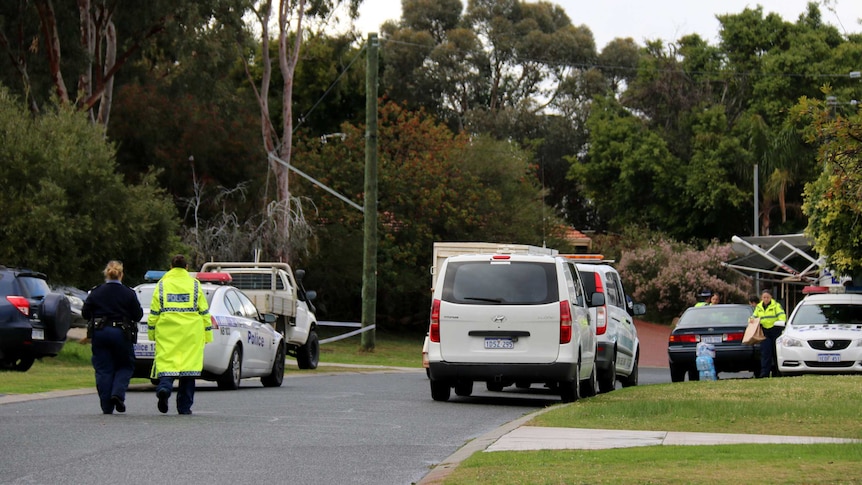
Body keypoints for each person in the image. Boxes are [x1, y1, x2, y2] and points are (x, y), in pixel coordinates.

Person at [148, 255, 213, 415]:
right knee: (188, 369)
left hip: (167, 331)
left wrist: (152, 333)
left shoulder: (162, 285)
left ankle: (164, 388)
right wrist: (207, 335)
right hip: (191, 332)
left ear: (171, 267)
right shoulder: (195, 285)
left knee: (167, 362)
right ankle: (184, 407)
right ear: (187, 267)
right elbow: (204, 311)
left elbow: (154, 312)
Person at [81, 260, 144, 415]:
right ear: (121, 275)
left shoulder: (96, 292)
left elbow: (85, 313)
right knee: (125, 365)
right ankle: (117, 393)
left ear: (106, 275)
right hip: (121, 333)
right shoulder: (128, 293)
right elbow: (137, 315)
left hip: (100, 332)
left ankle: (106, 406)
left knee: (103, 369)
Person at [751, 289, 786, 378]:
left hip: (775, 330)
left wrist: (779, 323)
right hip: (765, 331)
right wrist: (751, 320)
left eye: (767, 297)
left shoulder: (776, 306)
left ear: (771, 297)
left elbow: (782, 317)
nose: (766, 299)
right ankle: (764, 374)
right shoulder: (759, 307)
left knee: (776, 352)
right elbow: (753, 317)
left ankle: (777, 373)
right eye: (764, 297)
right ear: (761, 298)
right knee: (765, 353)